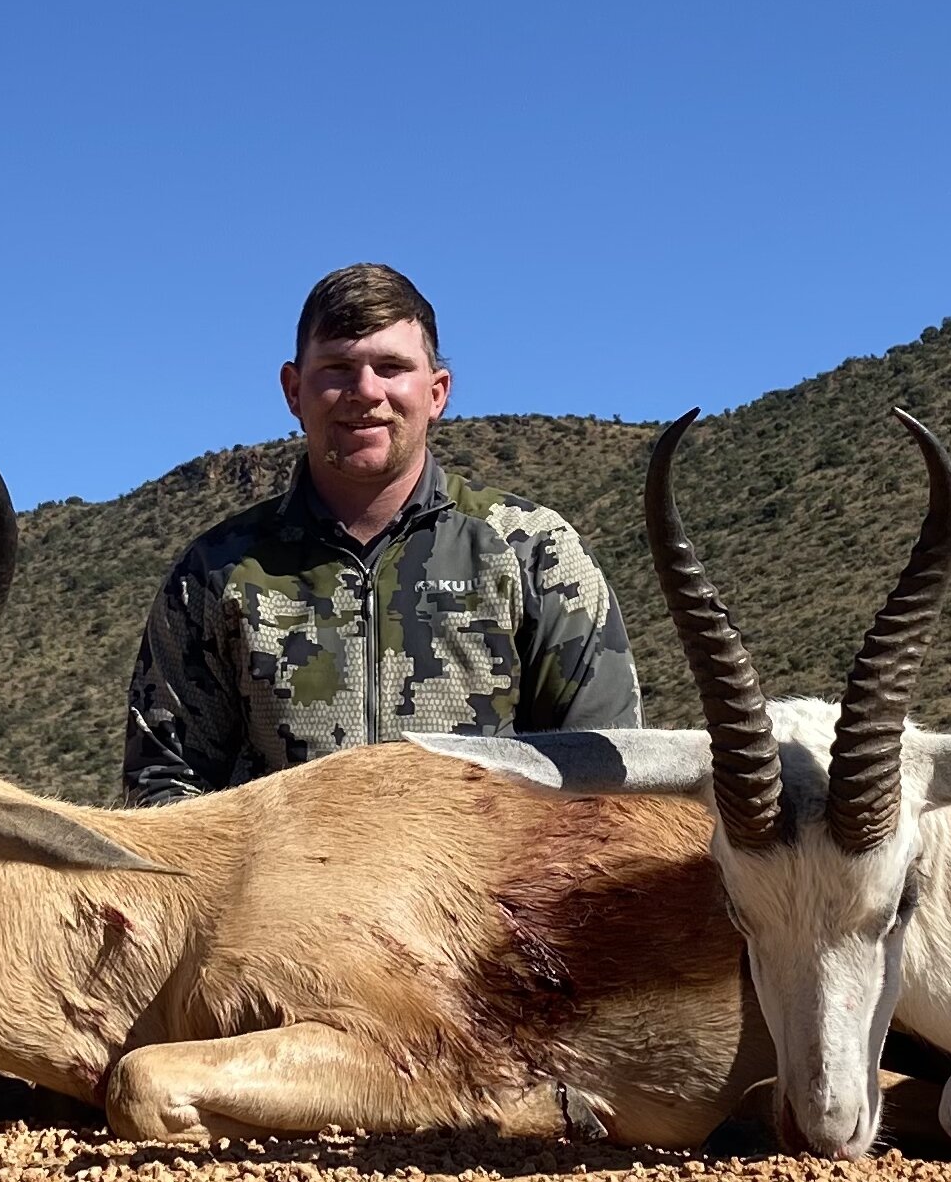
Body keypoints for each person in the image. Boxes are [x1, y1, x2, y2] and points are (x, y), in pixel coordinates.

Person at [121, 263, 641, 804]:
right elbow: (162, 787)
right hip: (285, 886)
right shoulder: (215, 572)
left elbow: (611, 773)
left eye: (391, 367)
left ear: (437, 393)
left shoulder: (533, 551)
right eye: (338, 368)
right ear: (294, 390)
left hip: (492, 887)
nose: (365, 391)